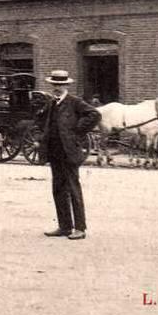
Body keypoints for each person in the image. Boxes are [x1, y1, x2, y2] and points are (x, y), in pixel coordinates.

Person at [39, 70, 101, 240]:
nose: (57, 88)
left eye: (60, 85)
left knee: (73, 188)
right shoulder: (52, 103)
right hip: (55, 152)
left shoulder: (75, 102)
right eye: (55, 85)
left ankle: (80, 228)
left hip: (70, 151)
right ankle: (64, 226)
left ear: (66, 86)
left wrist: (77, 130)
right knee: (58, 189)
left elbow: (94, 114)